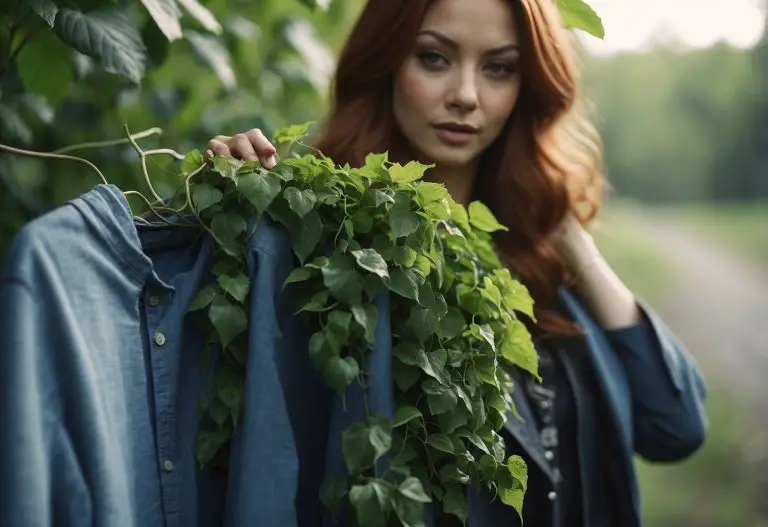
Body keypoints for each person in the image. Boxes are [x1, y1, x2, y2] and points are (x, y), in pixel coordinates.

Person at [204, 0, 708, 525]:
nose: (466, 96)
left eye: (499, 68)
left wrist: (572, 243)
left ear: (526, 88)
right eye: (434, 58)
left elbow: (676, 426)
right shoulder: (332, 252)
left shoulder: (540, 266)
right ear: (386, 62)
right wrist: (240, 195)